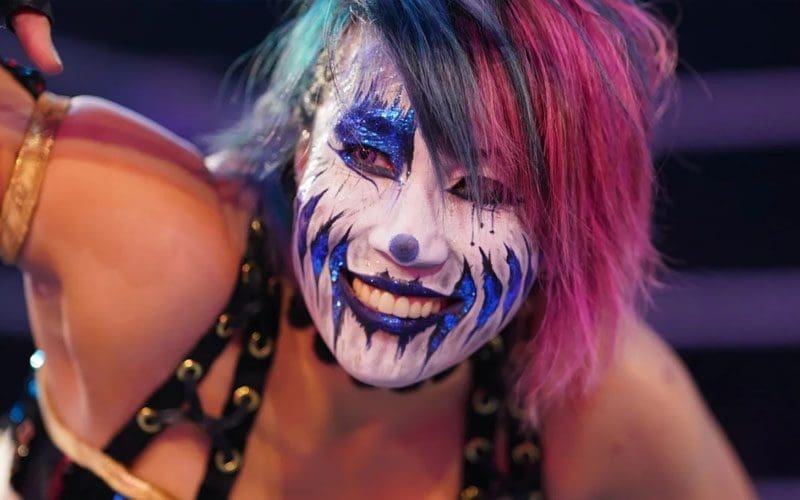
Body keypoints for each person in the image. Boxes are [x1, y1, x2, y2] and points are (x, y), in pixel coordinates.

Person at [0, 0, 756, 498]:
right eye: (366, 155)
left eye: (485, 190)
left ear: (567, 225)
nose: (410, 237)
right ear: (304, 144)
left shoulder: (598, 400)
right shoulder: (156, 248)